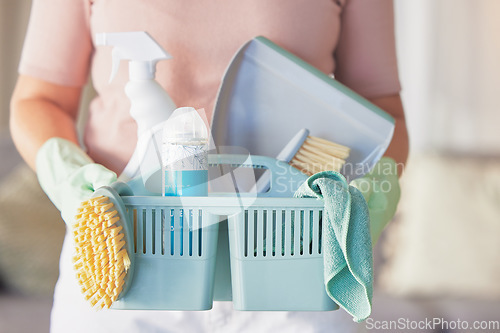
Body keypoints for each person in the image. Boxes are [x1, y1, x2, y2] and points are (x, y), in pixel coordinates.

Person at [10, 0, 408, 332]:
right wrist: (73, 182)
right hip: (130, 258)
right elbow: (38, 100)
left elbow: (383, 116)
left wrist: (361, 206)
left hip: (292, 260)